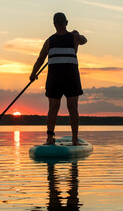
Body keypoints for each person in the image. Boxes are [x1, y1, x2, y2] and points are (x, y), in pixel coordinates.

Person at [30, 12, 87, 145]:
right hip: (70, 77)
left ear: (54, 24)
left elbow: (40, 59)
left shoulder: (49, 41)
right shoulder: (74, 38)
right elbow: (85, 40)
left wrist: (33, 74)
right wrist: (77, 34)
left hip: (54, 79)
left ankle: (49, 139)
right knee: (72, 107)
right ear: (66, 23)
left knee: (53, 108)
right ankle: (74, 140)